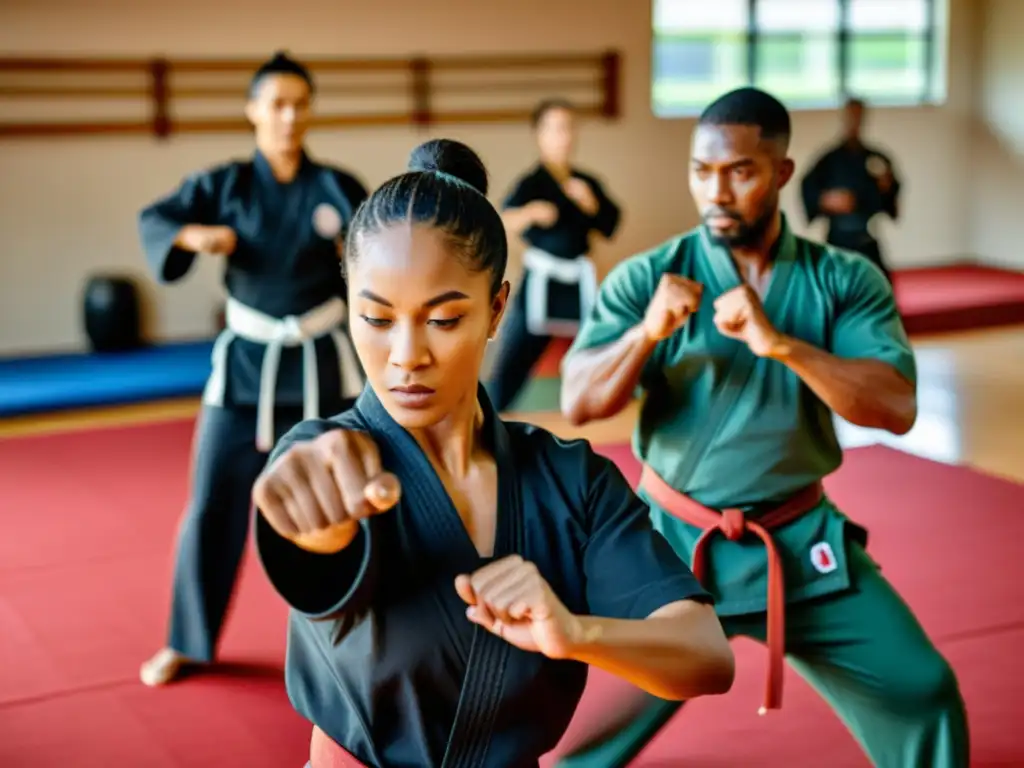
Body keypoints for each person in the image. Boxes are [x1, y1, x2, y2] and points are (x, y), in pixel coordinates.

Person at [250, 138, 735, 768]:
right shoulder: (330, 454)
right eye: (375, 319)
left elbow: (705, 656)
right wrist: (316, 515)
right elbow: (313, 517)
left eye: (444, 320)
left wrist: (576, 632)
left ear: (496, 308)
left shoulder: (572, 481)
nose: (406, 355)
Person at [557, 87, 968, 768]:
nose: (716, 191)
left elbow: (894, 408)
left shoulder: (844, 279)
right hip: (669, 551)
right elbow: (578, 400)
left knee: (923, 692)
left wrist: (784, 345)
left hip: (799, 544)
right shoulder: (650, 278)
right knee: (576, 736)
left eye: (739, 172)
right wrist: (646, 335)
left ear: (781, 173)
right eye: (701, 171)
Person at [136, 52, 368, 687]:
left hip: (322, 367)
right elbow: (155, 220)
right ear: (253, 110)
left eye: (300, 103)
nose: (289, 115)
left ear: (311, 111)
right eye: (276, 103)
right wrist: (193, 238)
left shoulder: (337, 189)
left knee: (338, 507)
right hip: (244, 368)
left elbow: (375, 265)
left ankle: (347, 646)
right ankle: (188, 640)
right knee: (212, 501)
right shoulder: (226, 185)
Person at [486, 98, 621, 412]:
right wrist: (530, 213)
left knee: (603, 348)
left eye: (571, 127)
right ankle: (490, 418)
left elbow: (610, 226)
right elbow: (502, 220)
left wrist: (592, 205)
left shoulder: (586, 182)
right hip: (542, 279)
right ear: (540, 134)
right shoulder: (532, 183)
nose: (566, 135)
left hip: (579, 280)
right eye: (558, 128)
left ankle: (601, 413)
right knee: (515, 357)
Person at [800, 97, 902, 283]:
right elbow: (809, 188)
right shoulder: (829, 159)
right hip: (838, 238)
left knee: (880, 285)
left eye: (859, 117)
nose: (855, 121)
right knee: (833, 288)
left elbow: (891, 194)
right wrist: (826, 200)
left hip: (867, 237)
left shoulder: (876, 158)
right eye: (851, 116)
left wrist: (886, 187)